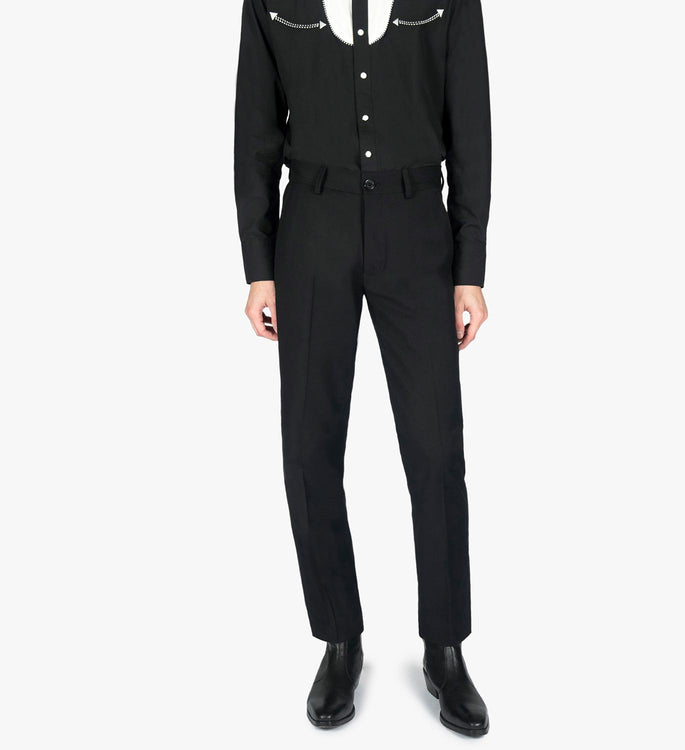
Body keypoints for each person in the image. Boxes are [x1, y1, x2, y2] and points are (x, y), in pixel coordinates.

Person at [234, 0, 491, 736]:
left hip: (418, 231)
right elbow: (255, 131)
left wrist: (469, 269)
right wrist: (259, 266)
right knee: (308, 449)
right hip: (312, 232)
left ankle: (445, 648)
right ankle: (339, 639)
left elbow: (471, 124)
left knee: (436, 450)